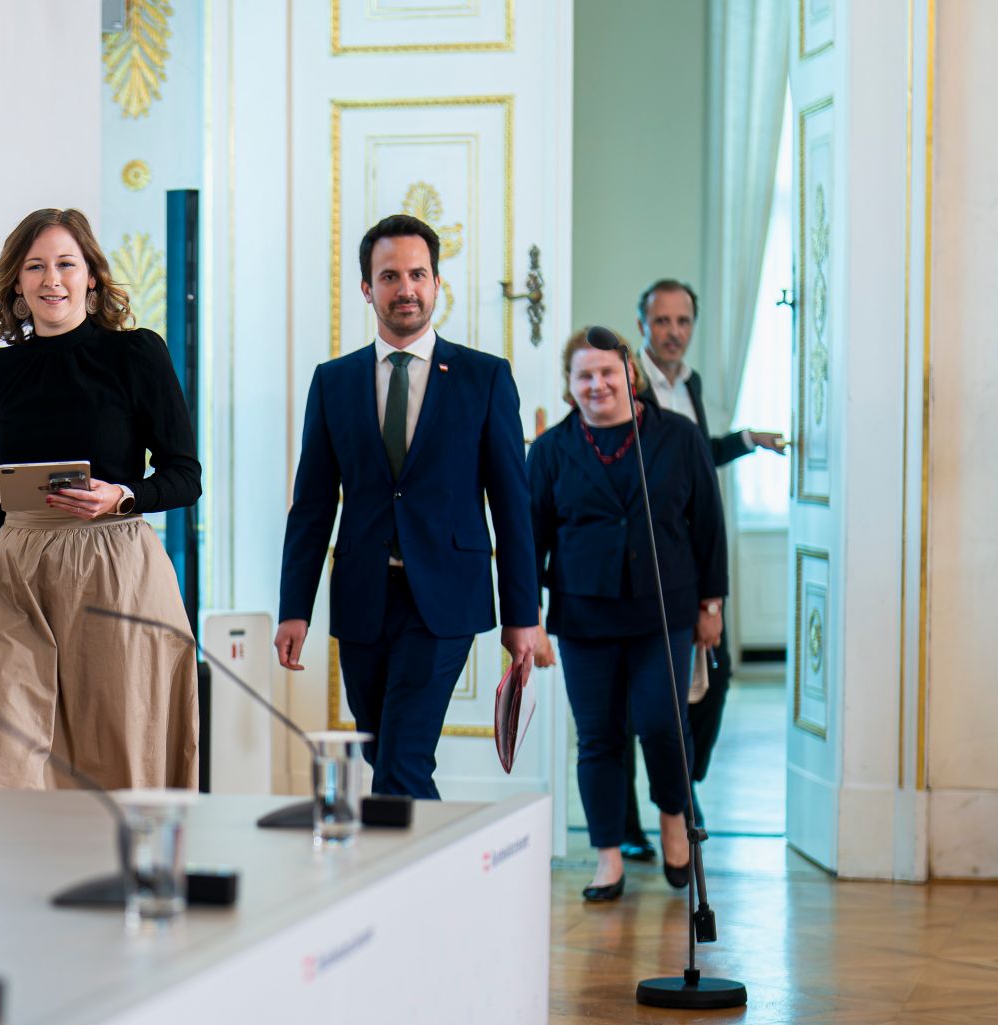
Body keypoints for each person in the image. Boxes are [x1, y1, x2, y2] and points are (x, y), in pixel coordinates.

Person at [275, 214, 539, 799]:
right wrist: (295, 608)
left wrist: (524, 615)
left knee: (403, 762)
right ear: (368, 289)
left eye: (418, 274)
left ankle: (427, 889)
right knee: (384, 756)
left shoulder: (484, 379)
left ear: (437, 283)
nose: (406, 288)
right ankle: (429, 875)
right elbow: (313, 505)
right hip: (363, 598)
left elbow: (513, 507)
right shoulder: (333, 382)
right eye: (390, 276)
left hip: (444, 599)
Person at [0, 208, 201, 799]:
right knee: (1, 764)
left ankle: (122, 882)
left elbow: (184, 476)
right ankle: (8, 888)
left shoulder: (136, 354)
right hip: (14, 573)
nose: (50, 280)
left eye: (66, 264)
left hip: (114, 569)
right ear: (16, 282)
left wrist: (124, 495)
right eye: (34, 267)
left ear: (92, 276)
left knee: (116, 757)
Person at [528, 329, 728, 901]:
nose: (598, 385)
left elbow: (708, 528)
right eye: (584, 376)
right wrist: (530, 619)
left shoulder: (679, 439)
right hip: (584, 615)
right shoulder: (549, 452)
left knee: (662, 725)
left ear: (629, 376)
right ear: (570, 387)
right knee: (598, 739)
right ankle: (608, 856)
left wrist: (711, 605)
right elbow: (528, 540)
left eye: (607, 373)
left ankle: (672, 817)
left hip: (664, 610)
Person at [618, 280, 787, 856]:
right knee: (625, 700)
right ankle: (629, 823)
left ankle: (681, 788)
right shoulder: (624, 380)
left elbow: (691, 457)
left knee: (711, 682)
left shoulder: (688, 383)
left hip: (687, 557)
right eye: (661, 321)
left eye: (682, 321)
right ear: (642, 325)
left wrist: (744, 440)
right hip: (636, 561)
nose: (672, 331)